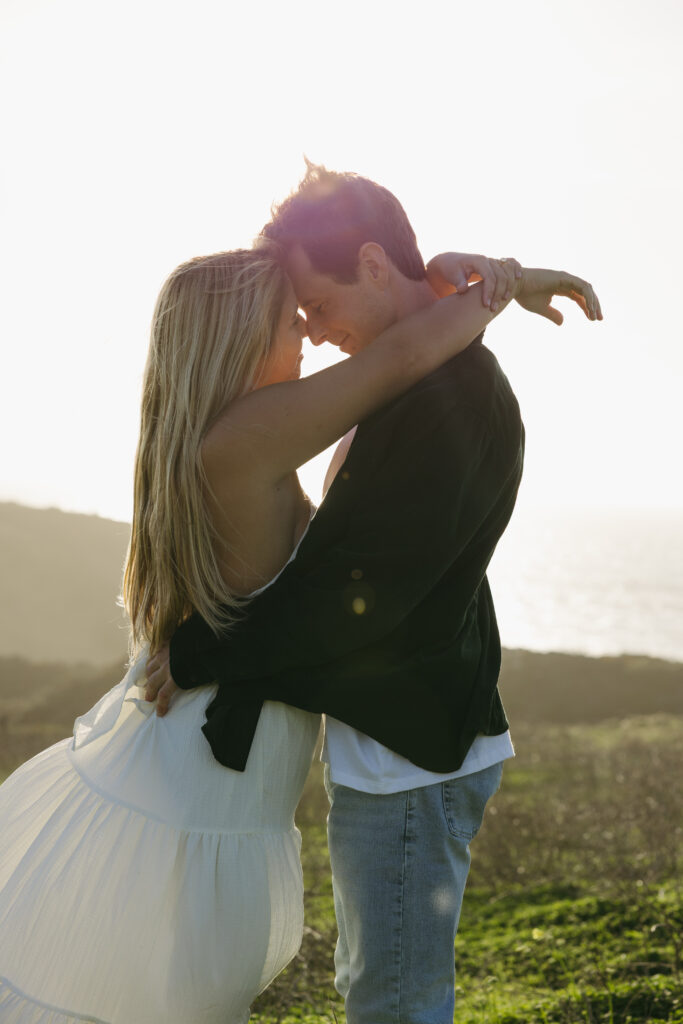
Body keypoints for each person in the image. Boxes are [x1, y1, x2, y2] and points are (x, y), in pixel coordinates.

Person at [0, 234, 549, 1023]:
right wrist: (500, 283)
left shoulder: (217, 433)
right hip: (210, 762)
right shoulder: (251, 432)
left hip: (212, 753)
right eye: (294, 321)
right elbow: (397, 360)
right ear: (240, 340)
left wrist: (444, 283)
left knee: (168, 988)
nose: (311, 336)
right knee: (175, 995)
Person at [147, 165, 602, 1024]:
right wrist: (476, 279)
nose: (315, 335)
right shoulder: (404, 381)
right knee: (378, 988)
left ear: (367, 262)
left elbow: (365, 598)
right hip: (390, 754)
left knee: (393, 1001)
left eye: (315, 306)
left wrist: (203, 651)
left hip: (413, 761)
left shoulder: (452, 398)